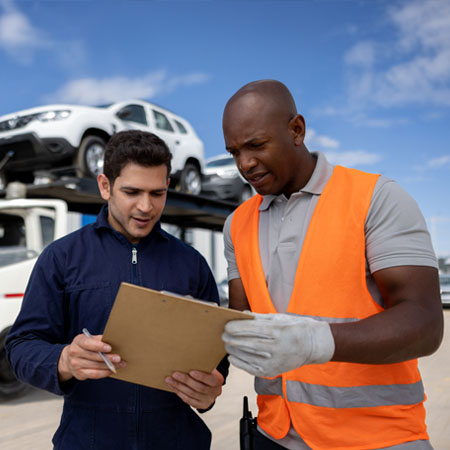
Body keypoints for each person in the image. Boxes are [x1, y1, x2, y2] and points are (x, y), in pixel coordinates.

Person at [221, 80, 443, 450]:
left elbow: (425, 322)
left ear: (296, 130)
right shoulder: (237, 224)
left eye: (256, 146)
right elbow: (239, 321)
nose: (245, 164)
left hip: (377, 438)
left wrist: (315, 341)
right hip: (273, 435)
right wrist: (184, 319)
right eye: (234, 153)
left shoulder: (376, 198)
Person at [6, 130, 226, 450]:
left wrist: (209, 391)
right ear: (105, 186)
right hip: (88, 440)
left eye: (157, 193)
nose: (146, 206)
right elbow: (21, 347)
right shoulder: (62, 257)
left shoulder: (191, 264)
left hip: (177, 440)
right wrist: (64, 359)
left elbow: (215, 357)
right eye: (132, 191)